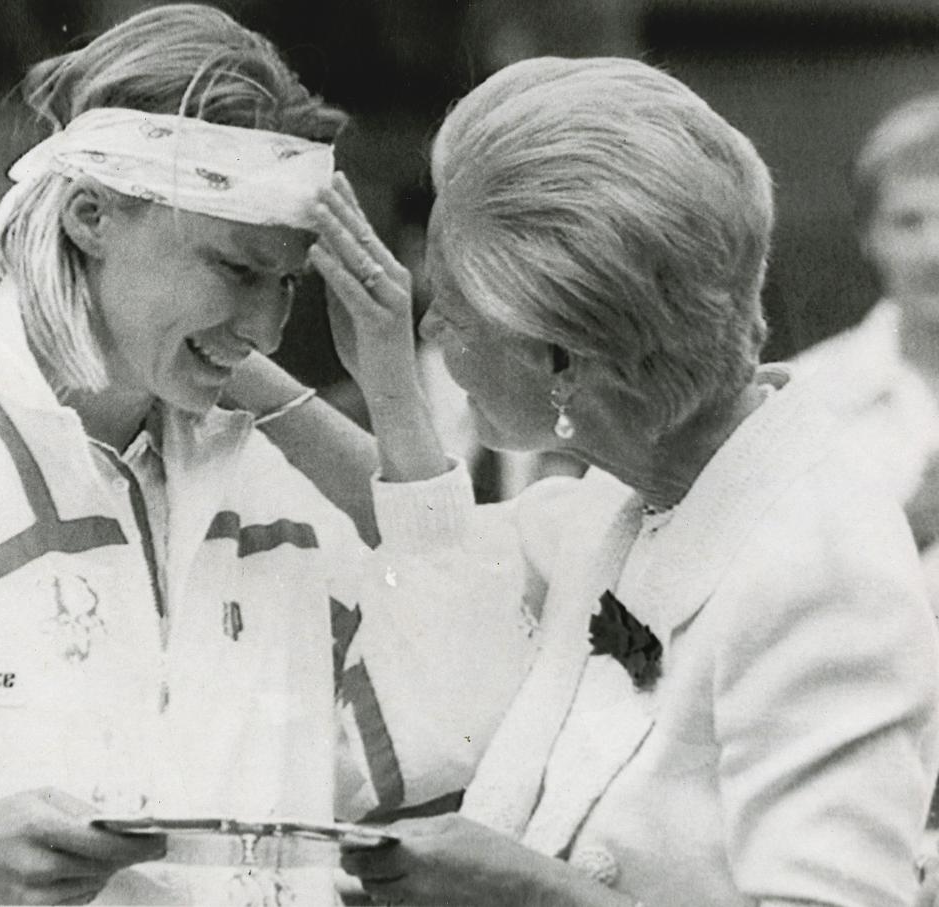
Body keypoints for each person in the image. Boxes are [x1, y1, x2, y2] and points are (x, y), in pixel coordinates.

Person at [0, 7, 535, 904]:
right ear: (89, 216)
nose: (268, 329)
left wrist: (399, 409)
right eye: (236, 271)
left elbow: (474, 752)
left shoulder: (282, 496)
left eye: (288, 284)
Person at [260, 57, 939, 905]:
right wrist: (289, 381)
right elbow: (446, 546)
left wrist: (530, 889)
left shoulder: (821, 566)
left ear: (565, 355)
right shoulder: (637, 495)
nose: (425, 325)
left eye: (456, 311)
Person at [794, 93, 939, 608]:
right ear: (867, 236)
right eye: (908, 222)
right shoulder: (803, 398)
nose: (934, 251)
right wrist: (910, 524)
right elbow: (769, 597)